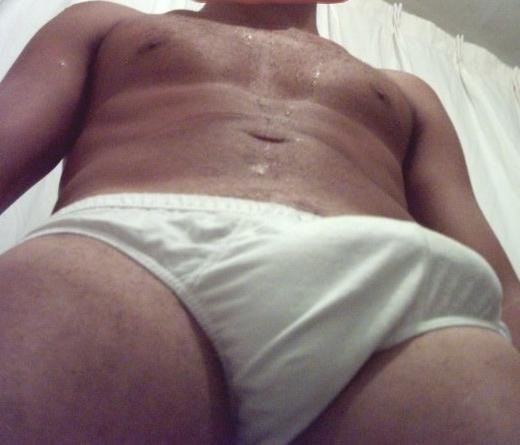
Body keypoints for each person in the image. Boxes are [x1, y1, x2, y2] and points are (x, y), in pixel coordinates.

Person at [0, 0, 519, 443]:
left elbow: (502, 287)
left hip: (390, 287)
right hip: (126, 251)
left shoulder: (408, 92)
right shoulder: (107, 24)